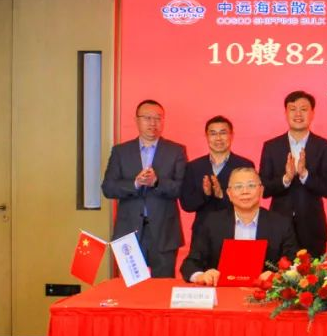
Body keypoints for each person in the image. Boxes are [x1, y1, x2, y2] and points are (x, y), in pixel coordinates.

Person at [101, 99, 186, 278]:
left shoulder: (176, 151)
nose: (153, 123)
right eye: (147, 118)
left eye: (158, 118)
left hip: (164, 232)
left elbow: (182, 188)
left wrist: (156, 182)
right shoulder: (120, 151)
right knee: (131, 288)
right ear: (136, 120)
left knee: (162, 289)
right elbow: (108, 188)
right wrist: (135, 184)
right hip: (129, 231)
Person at [181, 167, 298, 285]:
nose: (245, 191)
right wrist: (201, 276)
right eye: (238, 187)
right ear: (229, 193)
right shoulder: (212, 222)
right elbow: (190, 263)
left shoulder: (281, 224)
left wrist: (279, 276)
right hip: (222, 292)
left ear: (261, 190)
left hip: (264, 292)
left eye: (251, 185)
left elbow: (295, 264)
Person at [259, 91, 327, 257]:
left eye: (303, 109)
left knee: (313, 273)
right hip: (278, 225)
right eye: (293, 109)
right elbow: (263, 189)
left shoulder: (324, 146)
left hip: (312, 227)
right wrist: (285, 179)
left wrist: (304, 174)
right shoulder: (271, 146)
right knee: (277, 272)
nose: (298, 114)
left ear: (312, 113)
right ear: (286, 113)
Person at [179, 115, 254, 236]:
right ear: (206, 136)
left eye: (223, 133)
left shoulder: (245, 165)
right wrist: (205, 194)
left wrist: (221, 195)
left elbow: (250, 201)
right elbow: (187, 205)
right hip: (202, 233)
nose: (218, 138)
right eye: (213, 133)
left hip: (236, 231)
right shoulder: (193, 166)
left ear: (231, 135)